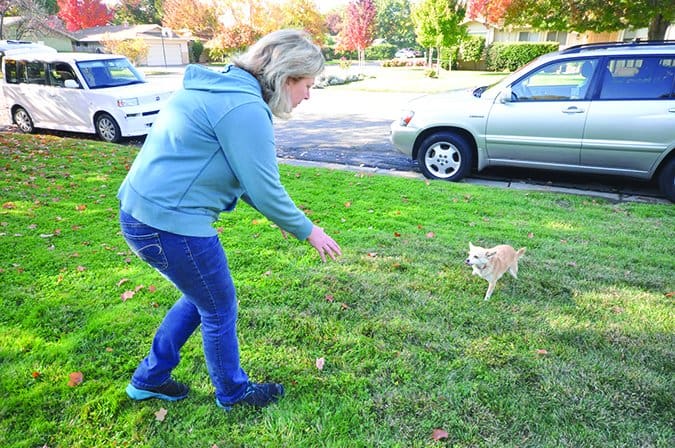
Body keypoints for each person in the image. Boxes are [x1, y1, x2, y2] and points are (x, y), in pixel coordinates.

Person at [117, 29, 341, 411]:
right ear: (285, 78)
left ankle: (149, 378)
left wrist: (286, 222)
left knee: (201, 297)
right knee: (219, 306)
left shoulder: (219, 88)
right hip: (171, 224)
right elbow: (265, 188)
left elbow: (247, 180)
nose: (308, 95)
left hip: (140, 214)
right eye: (307, 85)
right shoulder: (245, 109)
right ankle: (233, 394)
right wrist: (309, 230)